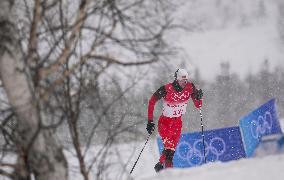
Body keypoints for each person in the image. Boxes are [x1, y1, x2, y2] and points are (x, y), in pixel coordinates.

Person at [146, 68, 203, 172]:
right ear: (177, 79)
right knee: (169, 148)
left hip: (177, 123)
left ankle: (161, 167)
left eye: (186, 80)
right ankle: (164, 168)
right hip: (165, 123)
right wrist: (150, 121)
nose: (184, 83)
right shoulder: (166, 88)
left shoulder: (190, 87)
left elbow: (198, 105)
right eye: (182, 81)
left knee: (171, 152)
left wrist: (199, 97)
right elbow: (152, 101)